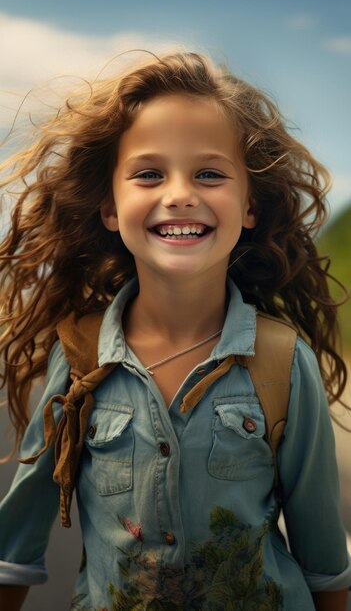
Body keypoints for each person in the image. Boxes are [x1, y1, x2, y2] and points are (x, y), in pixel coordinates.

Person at [0, 50, 350, 611]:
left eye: (209, 173)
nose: (180, 192)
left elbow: (324, 561)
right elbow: (13, 547)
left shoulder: (283, 361)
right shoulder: (80, 356)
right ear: (110, 207)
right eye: (148, 173)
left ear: (250, 204)